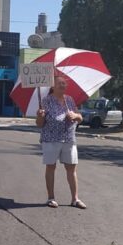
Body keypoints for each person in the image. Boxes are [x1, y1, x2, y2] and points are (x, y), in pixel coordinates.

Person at [35, 74, 85, 208]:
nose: (63, 85)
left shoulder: (69, 100)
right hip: (51, 139)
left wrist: (75, 116)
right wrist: (39, 116)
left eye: (64, 83)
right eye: (60, 83)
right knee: (51, 167)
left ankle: (75, 199)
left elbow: (80, 117)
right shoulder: (46, 101)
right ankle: (51, 198)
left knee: (71, 168)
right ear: (53, 86)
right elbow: (39, 124)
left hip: (69, 138)